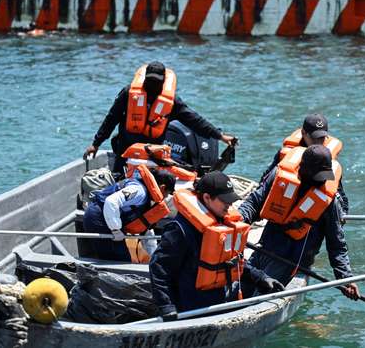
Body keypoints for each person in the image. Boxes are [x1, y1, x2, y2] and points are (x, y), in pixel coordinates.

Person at [149, 171, 284, 319]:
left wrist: (261, 278)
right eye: (225, 201)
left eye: (231, 201)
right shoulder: (179, 230)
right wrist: (166, 306)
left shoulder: (221, 223)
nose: (229, 205)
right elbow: (158, 267)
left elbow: (230, 261)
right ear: (207, 197)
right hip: (188, 310)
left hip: (216, 305)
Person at [238, 145, 360, 300]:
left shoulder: (329, 202)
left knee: (258, 297)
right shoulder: (280, 177)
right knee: (239, 288)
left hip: (291, 260)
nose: (324, 180)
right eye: (319, 175)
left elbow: (336, 244)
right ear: (305, 170)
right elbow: (254, 203)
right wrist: (237, 222)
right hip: (264, 248)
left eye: (326, 175)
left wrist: (345, 278)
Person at [84, 62, 235, 177]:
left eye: (156, 81)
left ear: (163, 82)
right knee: (119, 179)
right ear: (144, 79)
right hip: (126, 152)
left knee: (150, 186)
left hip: (153, 156)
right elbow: (111, 118)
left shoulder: (171, 103)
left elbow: (195, 120)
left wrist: (220, 136)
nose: (152, 84)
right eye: (150, 80)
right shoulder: (129, 94)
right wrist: (96, 143)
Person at [258, 114, 349, 221]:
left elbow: (338, 192)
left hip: (310, 213)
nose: (319, 142)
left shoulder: (325, 158)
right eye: (314, 138)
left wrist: (342, 213)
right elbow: (265, 181)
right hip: (284, 207)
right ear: (303, 133)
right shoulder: (288, 155)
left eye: (322, 138)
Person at [83, 166, 176, 261]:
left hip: (106, 219)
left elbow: (147, 231)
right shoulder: (140, 191)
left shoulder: (143, 192)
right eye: (167, 194)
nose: (165, 197)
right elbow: (111, 201)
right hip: (98, 219)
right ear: (162, 188)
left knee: (119, 257)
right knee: (118, 260)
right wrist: (115, 229)